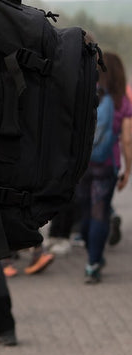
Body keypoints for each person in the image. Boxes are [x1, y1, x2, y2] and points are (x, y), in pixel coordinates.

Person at [77, 51, 128, 283]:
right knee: (100, 212)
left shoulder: (89, 93)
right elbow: (127, 139)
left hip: (84, 162)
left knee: (86, 211)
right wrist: (128, 170)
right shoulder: (122, 101)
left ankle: (91, 251)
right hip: (107, 164)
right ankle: (92, 263)